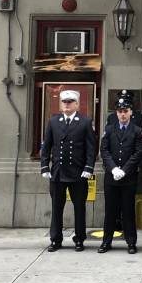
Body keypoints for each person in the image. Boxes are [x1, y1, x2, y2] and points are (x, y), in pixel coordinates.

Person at [40, 89, 97, 252]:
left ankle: (79, 239)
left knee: (79, 208)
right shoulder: (53, 121)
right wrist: (45, 166)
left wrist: (88, 167)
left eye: (70, 102)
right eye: (64, 102)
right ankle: (55, 239)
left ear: (77, 104)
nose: (66, 105)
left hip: (78, 172)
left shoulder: (85, 122)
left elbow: (91, 148)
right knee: (57, 208)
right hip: (58, 172)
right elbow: (47, 146)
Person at [99, 96, 142, 254]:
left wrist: (124, 170)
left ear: (131, 112)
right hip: (111, 177)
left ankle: (131, 242)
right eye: (120, 111)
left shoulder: (137, 131)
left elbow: (138, 152)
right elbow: (104, 150)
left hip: (129, 178)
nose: (123, 114)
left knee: (128, 211)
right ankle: (106, 242)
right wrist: (113, 169)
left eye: (125, 111)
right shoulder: (109, 129)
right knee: (110, 211)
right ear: (116, 113)